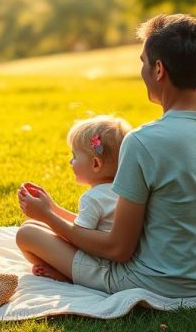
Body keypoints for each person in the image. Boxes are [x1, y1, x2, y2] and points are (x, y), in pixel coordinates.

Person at [16, 13, 196, 296]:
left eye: (143, 62)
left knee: (28, 233)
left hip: (156, 282)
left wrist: (49, 217)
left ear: (158, 70)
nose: (141, 71)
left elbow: (118, 250)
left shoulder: (143, 142)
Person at [16, 114, 132, 281]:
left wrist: (46, 215)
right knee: (33, 224)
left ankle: (63, 274)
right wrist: (53, 208)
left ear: (95, 164)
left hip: (98, 267)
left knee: (26, 233)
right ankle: (62, 272)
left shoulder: (92, 198)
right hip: (110, 261)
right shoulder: (123, 193)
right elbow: (88, 231)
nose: (71, 162)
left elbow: (78, 238)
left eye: (75, 156)